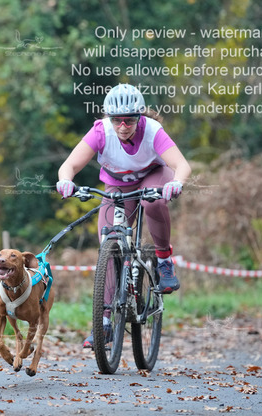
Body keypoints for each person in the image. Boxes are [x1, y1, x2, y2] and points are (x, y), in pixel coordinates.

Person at [56, 83, 191, 348]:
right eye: (116, 119)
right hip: (118, 185)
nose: (122, 126)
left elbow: (182, 165)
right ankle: (104, 323)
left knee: (152, 202)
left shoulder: (152, 131)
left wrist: (177, 182)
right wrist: (65, 181)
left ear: (139, 117)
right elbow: (69, 165)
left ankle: (164, 260)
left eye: (129, 120)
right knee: (109, 243)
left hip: (153, 176)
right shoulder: (101, 131)